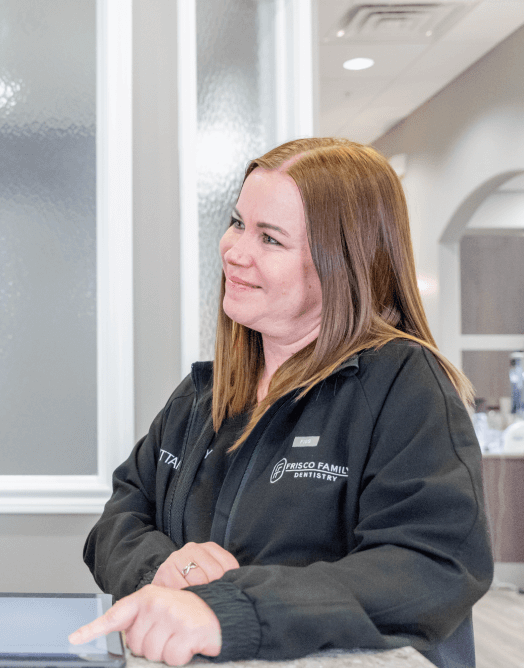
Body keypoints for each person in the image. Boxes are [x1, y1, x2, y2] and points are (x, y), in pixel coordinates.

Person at [70, 138, 492, 668]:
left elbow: (431, 566)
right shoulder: (207, 392)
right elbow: (120, 517)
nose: (234, 250)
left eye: (270, 238)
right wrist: (161, 569)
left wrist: (231, 610)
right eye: (238, 222)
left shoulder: (404, 385)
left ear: (344, 265)